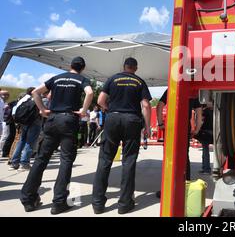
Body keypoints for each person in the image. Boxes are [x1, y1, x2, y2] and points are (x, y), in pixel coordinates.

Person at [20, 56, 93, 214]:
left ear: (71, 65)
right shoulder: (81, 79)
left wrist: (42, 110)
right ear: (83, 68)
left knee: (41, 159)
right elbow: (90, 93)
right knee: (66, 160)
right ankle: (59, 202)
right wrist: (83, 110)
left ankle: (28, 198)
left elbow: (35, 92)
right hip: (68, 120)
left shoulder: (57, 78)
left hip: (52, 119)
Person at [92, 57, 151, 215]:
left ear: (124, 66)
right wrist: (147, 126)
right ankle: (125, 204)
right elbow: (145, 105)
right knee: (129, 160)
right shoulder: (139, 82)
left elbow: (100, 100)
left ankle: (98, 204)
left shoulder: (113, 79)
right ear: (136, 68)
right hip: (132, 120)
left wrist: (109, 110)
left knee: (105, 160)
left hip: (113, 118)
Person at [9, 88, 41, 171]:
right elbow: (41, 112)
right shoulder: (36, 99)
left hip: (23, 123)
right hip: (35, 123)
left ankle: (14, 163)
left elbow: (15, 112)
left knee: (21, 142)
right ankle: (24, 163)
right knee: (30, 143)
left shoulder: (23, 99)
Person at [193, 103, 213, 174]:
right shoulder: (213, 111)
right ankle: (206, 168)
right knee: (207, 151)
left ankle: (206, 169)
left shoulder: (204, 112)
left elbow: (200, 121)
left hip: (205, 133)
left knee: (205, 151)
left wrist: (196, 130)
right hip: (212, 132)